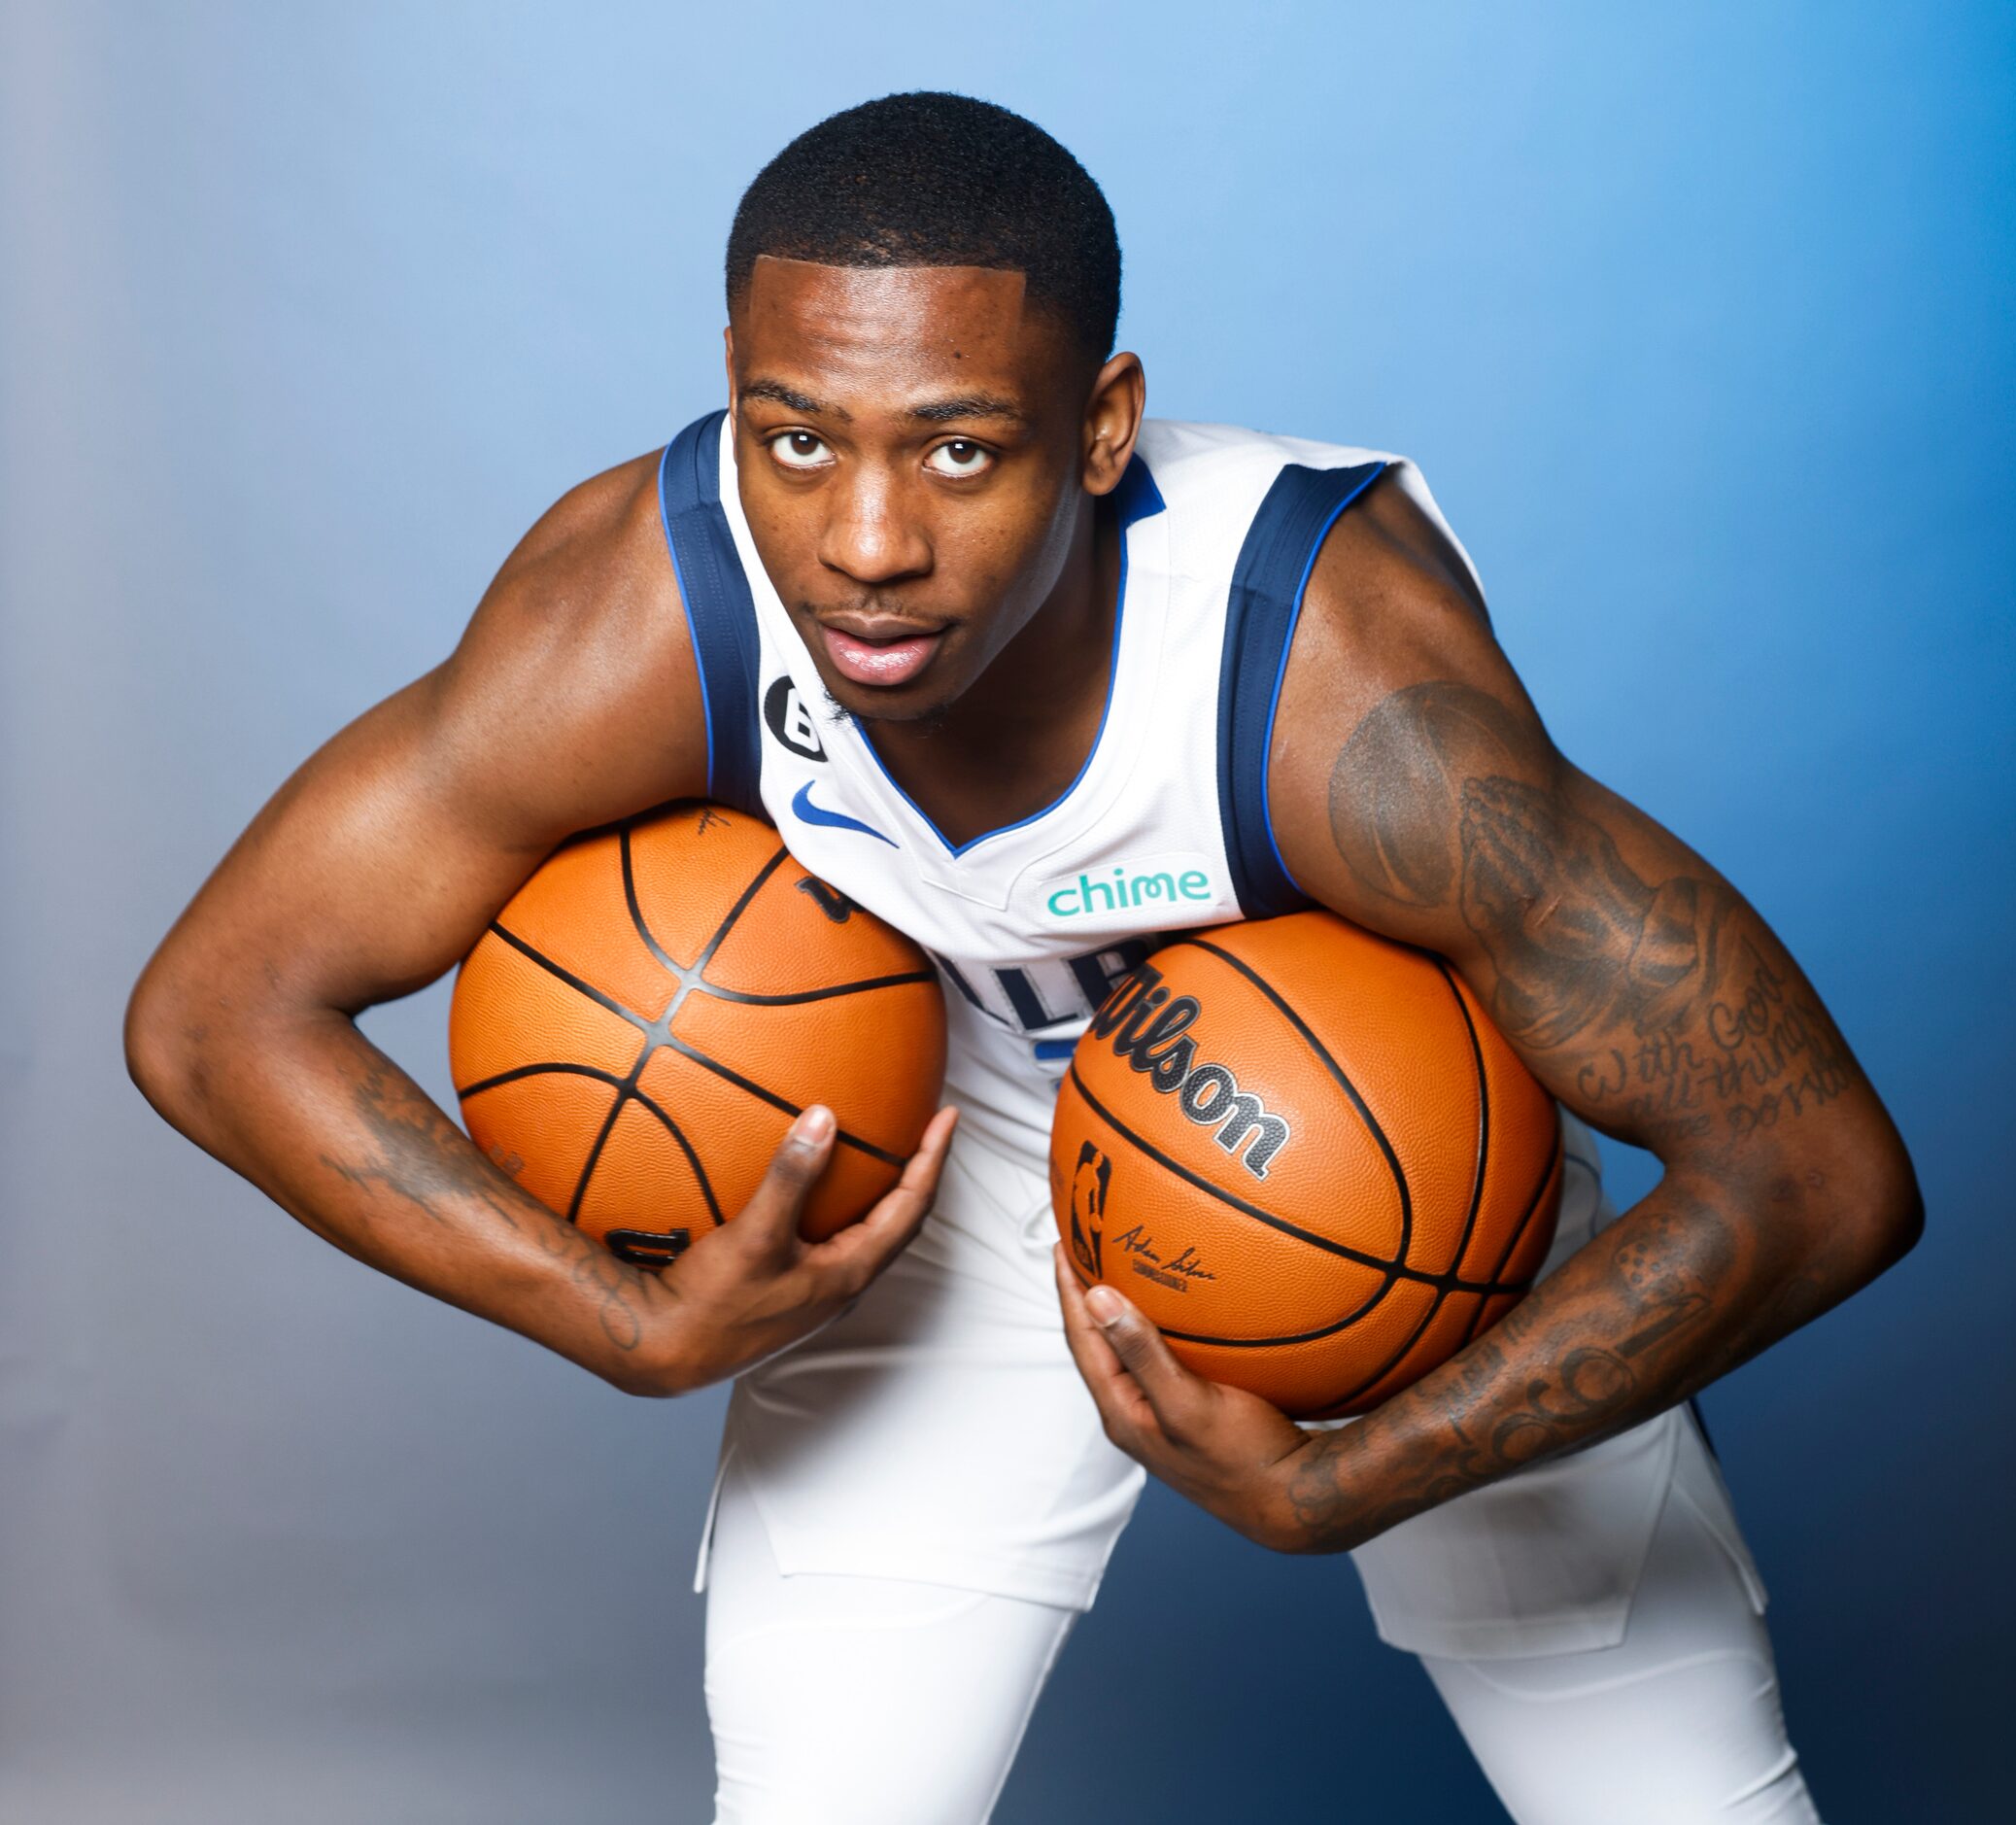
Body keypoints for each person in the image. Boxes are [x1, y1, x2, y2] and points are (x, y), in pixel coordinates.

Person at [125, 91, 1921, 1825]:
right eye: (795, 435)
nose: (865, 542)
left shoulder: (1346, 702)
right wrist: (622, 1323)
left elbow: (1819, 1171)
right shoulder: (638, 611)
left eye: (959, 447)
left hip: (1393, 1164)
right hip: (952, 1142)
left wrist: (1351, 1479)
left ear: (1102, 423)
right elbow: (216, 1016)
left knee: (1672, 1802)